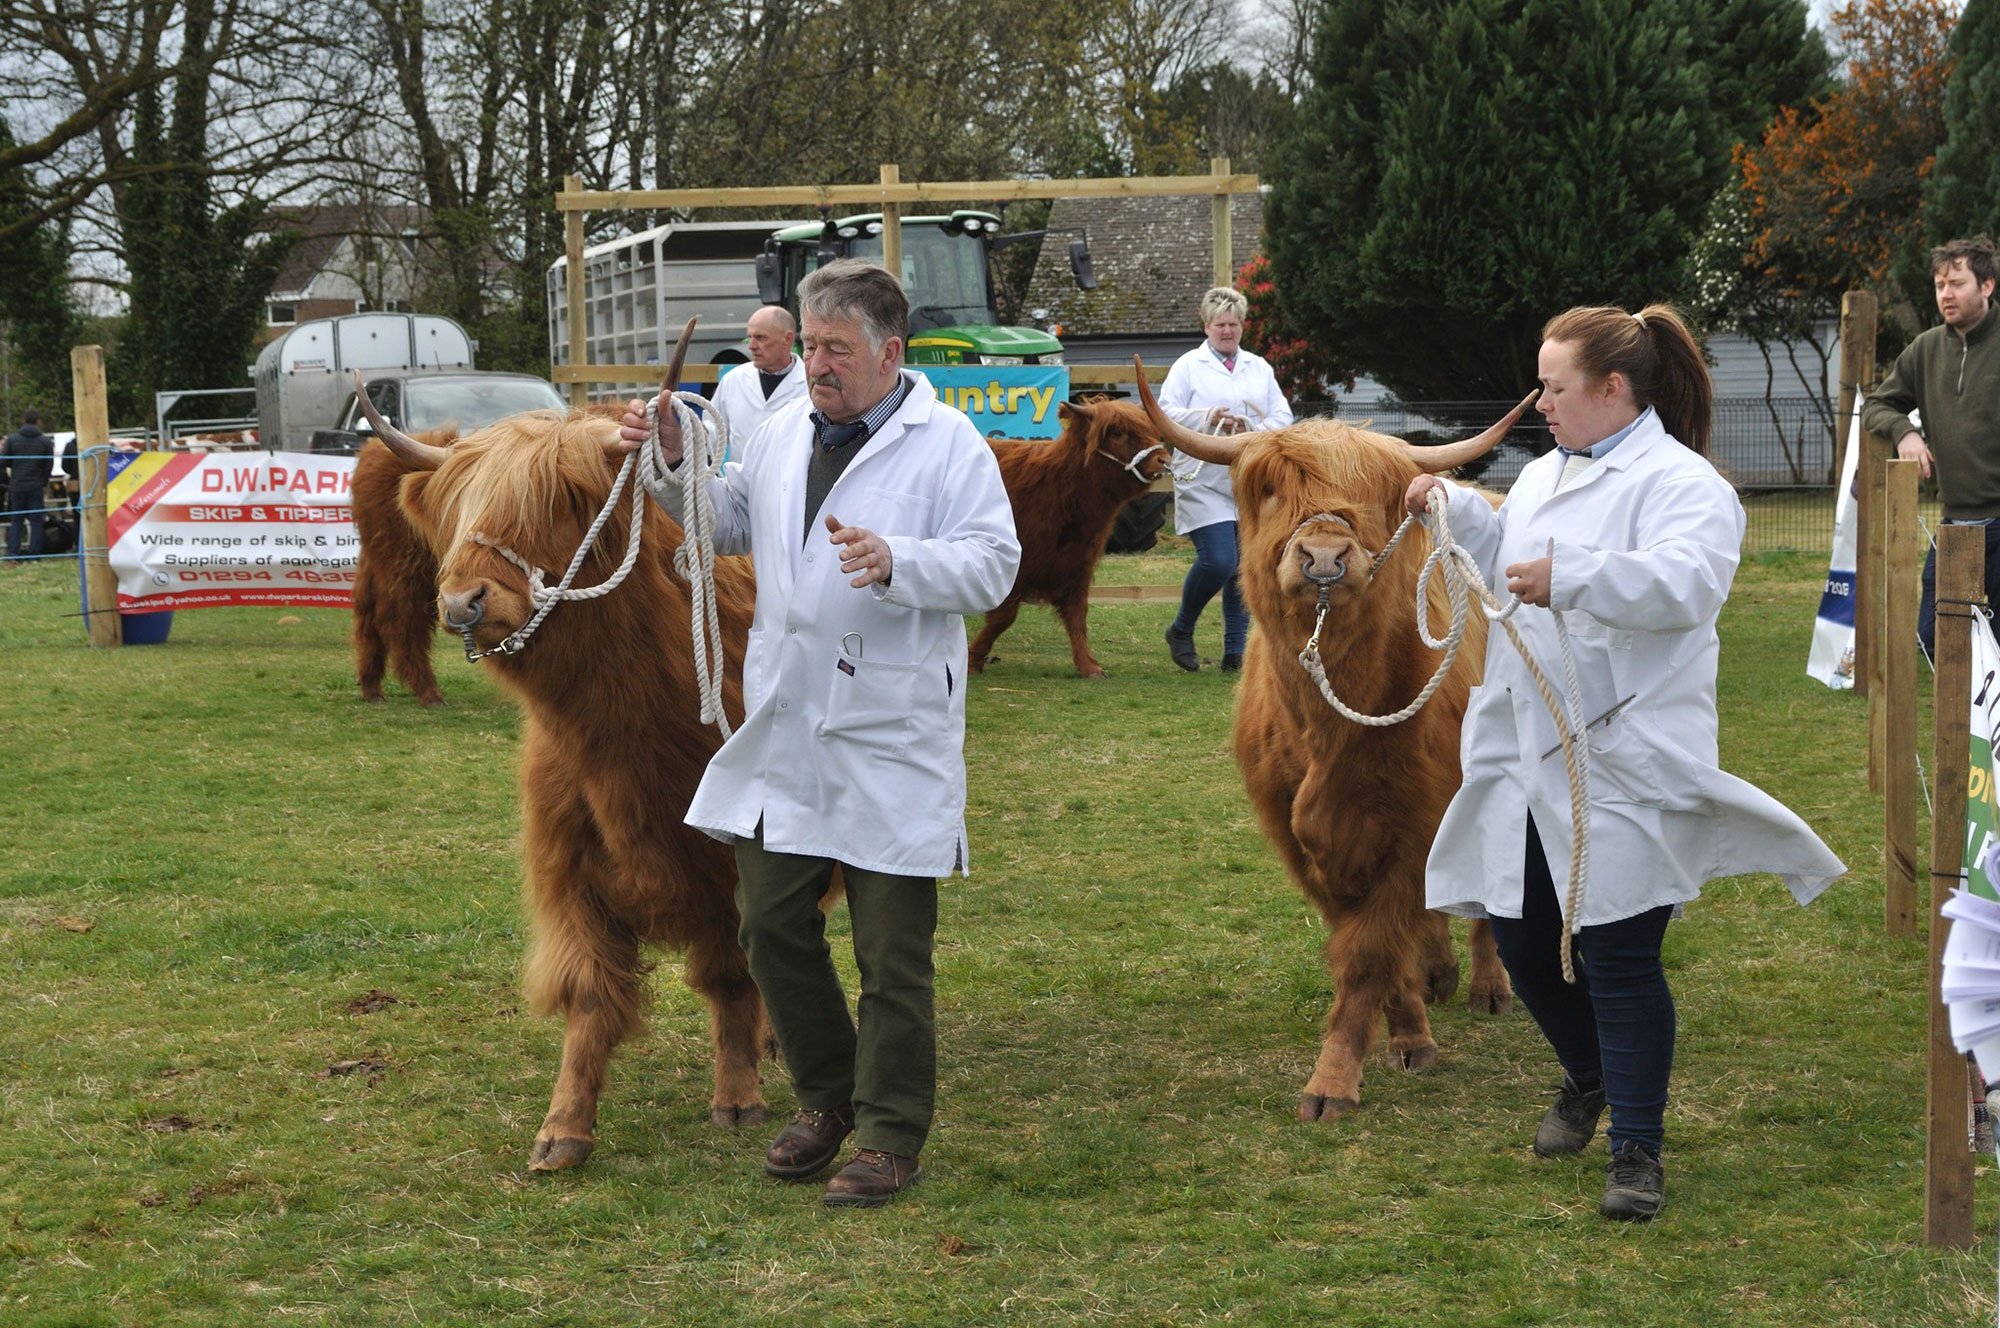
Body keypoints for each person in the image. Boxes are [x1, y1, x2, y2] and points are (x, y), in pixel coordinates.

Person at [1405, 304, 1844, 1223]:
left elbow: (1687, 586)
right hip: (1527, 750)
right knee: (1523, 943)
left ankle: (1637, 1148)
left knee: (1616, 951)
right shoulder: (1543, 474)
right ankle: (1588, 1076)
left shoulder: (1689, 486)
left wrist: (1577, 576)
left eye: (1556, 389)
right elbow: (1507, 556)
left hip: (1627, 752)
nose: (1541, 405)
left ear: (1613, 389)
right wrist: (1453, 512)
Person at [618, 258, 1020, 1208]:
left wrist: (899, 562)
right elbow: (728, 520)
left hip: (889, 734)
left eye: (836, 348)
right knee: (767, 925)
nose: (817, 363)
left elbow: (994, 566)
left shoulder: (950, 443)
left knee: (891, 955)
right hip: (789, 725)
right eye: (808, 344)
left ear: (890, 351)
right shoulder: (785, 427)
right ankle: (830, 1096)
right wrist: (676, 456)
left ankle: (888, 1136)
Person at [1861, 235, 2000, 656]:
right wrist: (1905, 431)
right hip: (1954, 523)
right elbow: (1878, 405)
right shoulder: (1924, 349)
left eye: (1957, 283)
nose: (1946, 294)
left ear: (1987, 286)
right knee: (1933, 638)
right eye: (1940, 285)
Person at [1158, 285, 1293, 672]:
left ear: (1242, 326)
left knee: (1245, 564)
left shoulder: (1259, 368)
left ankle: (1236, 652)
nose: (1227, 331)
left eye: (1234, 324)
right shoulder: (1187, 367)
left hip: (1250, 482)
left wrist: (1250, 426)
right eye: (1220, 324)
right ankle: (1181, 628)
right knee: (1219, 561)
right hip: (1203, 479)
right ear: (1206, 326)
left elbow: (1282, 418)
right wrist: (1209, 416)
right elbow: (1166, 413)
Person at [710, 304, 808, 462]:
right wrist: (696, 432)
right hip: (741, 485)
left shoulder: (809, 386)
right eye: (750, 337)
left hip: (789, 485)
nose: (751, 346)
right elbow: (714, 430)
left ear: (787, 339)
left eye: (761, 338)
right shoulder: (733, 381)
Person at [3, 408, 53, 563]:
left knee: (16, 520)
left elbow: (4, 461)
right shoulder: (45, 441)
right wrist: (42, 481)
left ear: (24, 420)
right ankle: (34, 556)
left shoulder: (12, 440)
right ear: (38, 421)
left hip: (17, 485)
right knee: (36, 521)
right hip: (35, 486)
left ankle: (13, 555)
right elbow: (48, 465)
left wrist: (15, 468)